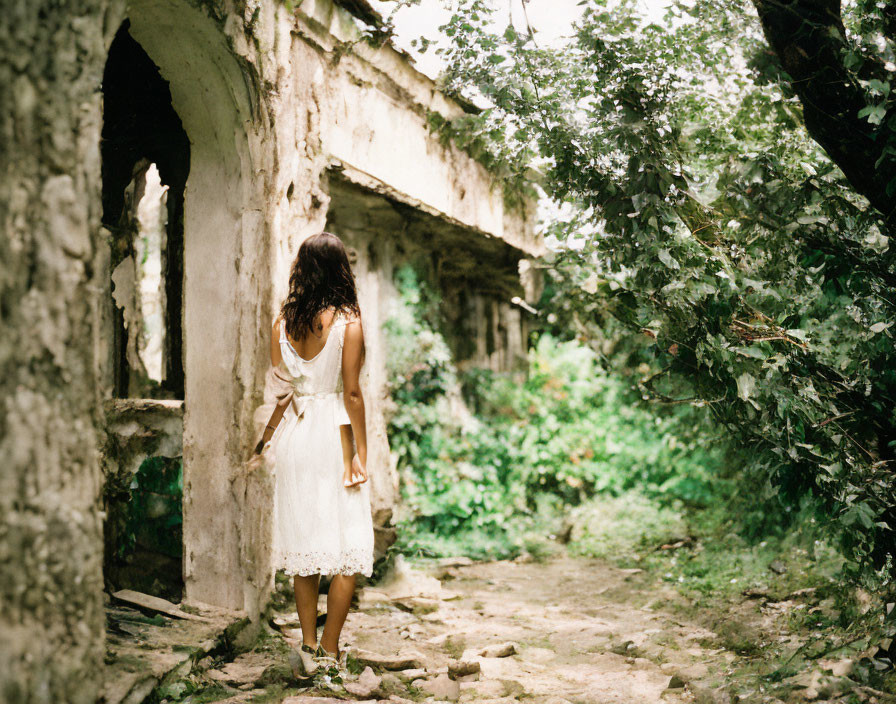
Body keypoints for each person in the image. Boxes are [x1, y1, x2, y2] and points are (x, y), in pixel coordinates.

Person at [255, 231, 374, 678]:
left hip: (297, 438)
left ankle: (306, 646)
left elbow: (284, 392)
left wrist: (264, 443)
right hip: (337, 434)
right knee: (349, 547)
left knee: (304, 544)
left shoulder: (282, 322)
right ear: (340, 267)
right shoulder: (348, 320)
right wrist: (359, 452)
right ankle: (329, 649)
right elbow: (352, 393)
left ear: (303, 269)